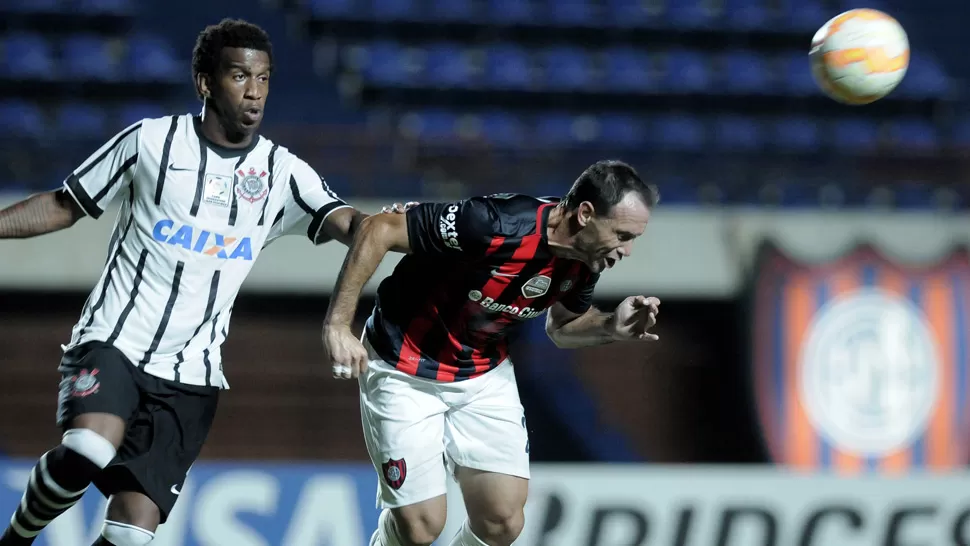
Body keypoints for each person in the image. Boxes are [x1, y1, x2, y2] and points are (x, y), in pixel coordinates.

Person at [0, 18, 408, 546]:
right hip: (115, 341)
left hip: (192, 375)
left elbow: (351, 225)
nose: (255, 92)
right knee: (87, 451)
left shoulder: (282, 173)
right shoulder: (150, 142)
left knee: (130, 533)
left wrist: (395, 229)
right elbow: (63, 204)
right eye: (240, 76)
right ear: (205, 83)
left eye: (263, 79)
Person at [322, 159, 662, 546]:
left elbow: (562, 328)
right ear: (586, 214)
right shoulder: (492, 223)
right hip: (404, 364)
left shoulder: (586, 261)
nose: (628, 250)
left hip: (482, 374)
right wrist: (337, 324)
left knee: (502, 523)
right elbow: (377, 228)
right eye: (623, 234)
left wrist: (610, 327)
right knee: (420, 528)